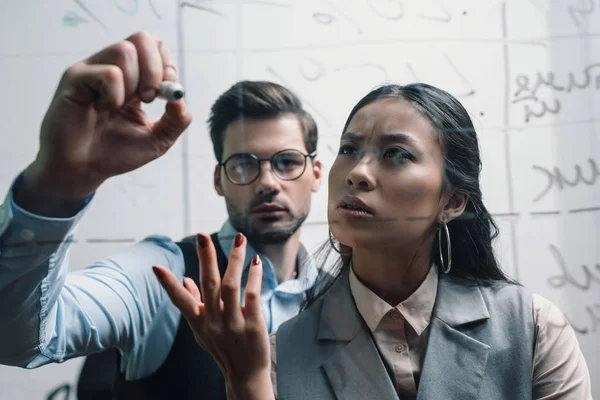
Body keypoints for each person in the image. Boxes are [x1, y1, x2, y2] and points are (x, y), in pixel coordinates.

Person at [157, 83, 593, 400]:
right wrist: (247, 383)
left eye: (396, 154)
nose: (357, 173)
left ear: (452, 200)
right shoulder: (275, 355)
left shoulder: (533, 330)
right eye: (349, 149)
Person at [0, 31, 322, 399]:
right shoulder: (164, 276)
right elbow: (16, 338)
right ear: (219, 180)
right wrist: (58, 184)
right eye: (244, 164)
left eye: (287, 162)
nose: (267, 182)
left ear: (315, 173)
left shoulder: (343, 290)